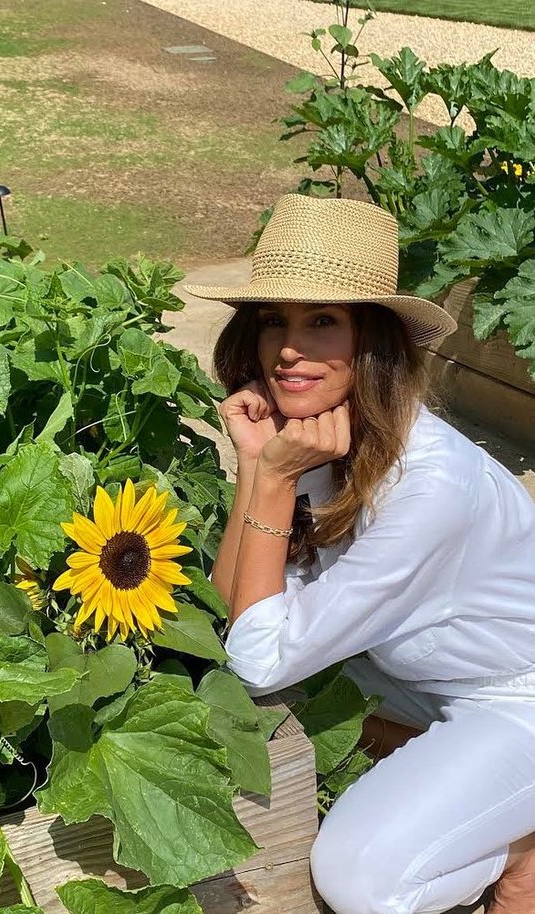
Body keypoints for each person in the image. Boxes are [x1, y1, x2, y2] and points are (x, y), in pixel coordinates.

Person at [184, 193, 535, 914]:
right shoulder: (328, 435)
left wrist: (275, 480)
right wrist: (256, 465)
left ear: (371, 339)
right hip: (423, 677)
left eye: (321, 322)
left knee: (359, 879)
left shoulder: (429, 489)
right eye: (273, 320)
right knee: (267, 703)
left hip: (518, 695)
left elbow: (259, 654)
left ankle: (521, 847)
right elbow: (235, 613)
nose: (287, 347)